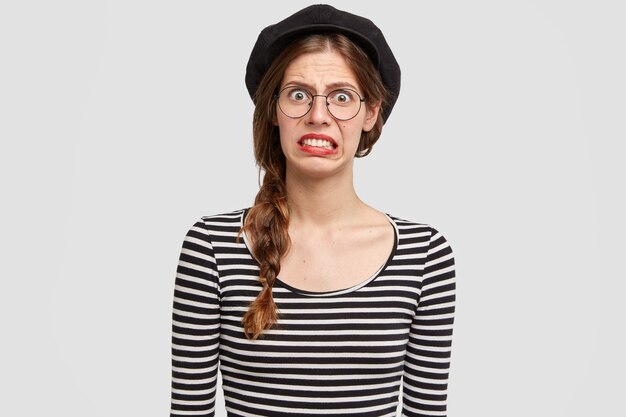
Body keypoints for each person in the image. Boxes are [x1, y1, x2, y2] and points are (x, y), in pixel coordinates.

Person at [170, 4, 455, 417]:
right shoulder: (212, 248)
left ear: (371, 113)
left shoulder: (424, 255)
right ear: (273, 109)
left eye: (342, 97)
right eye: (298, 94)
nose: (318, 116)